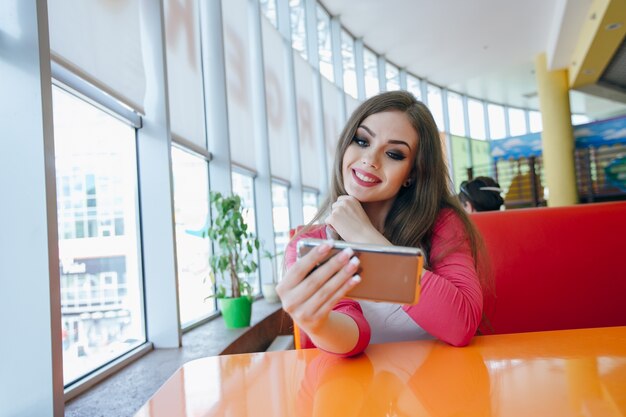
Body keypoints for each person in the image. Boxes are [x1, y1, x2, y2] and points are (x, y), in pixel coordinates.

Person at [276, 91, 489, 357]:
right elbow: (354, 334)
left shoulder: (442, 225)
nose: (370, 160)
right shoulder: (312, 245)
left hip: (439, 388)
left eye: (394, 153)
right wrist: (316, 323)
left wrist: (366, 237)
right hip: (355, 392)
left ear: (412, 173)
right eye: (362, 141)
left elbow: (461, 324)